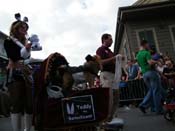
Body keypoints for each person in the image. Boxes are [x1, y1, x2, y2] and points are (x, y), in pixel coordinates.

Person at [4, 15, 33, 131]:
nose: (25, 30)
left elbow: (28, 58)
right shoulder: (8, 41)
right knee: (16, 104)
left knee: (29, 104)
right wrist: (26, 50)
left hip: (26, 74)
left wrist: (27, 51)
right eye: (22, 27)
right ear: (15, 28)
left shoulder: (26, 42)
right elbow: (13, 56)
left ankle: (28, 129)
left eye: (26, 28)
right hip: (14, 74)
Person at [96, 33, 120, 121]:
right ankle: (106, 119)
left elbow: (114, 62)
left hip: (114, 75)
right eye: (110, 39)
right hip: (106, 74)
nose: (112, 41)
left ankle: (112, 118)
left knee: (116, 97)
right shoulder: (100, 50)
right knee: (109, 97)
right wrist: (113, 59)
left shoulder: (110, 52)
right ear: (104, 40)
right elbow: (100, 62)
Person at [136, 40, 163, 114]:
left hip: (144, 75)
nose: (148, 46)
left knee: (151, 90)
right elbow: (150, 62)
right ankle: (158, 109)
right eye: (147, 45)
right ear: (144, 44)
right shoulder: (146, 52)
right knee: (156, 91)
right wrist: (157, 61)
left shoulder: (138, 55)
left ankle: (144, 105)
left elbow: (139, 65)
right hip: (151, 73)